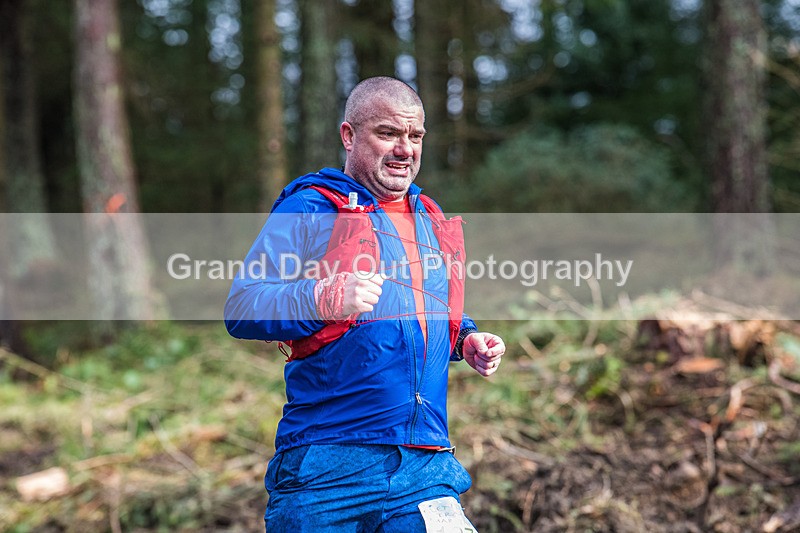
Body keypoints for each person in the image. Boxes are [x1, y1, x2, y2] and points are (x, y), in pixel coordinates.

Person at [225, 76, 505, 532]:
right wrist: (323, 297)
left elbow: (423, 305)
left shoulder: (429, 218)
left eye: (415, 137)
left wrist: (466, 337)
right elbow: (242, 306)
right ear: (349, 136)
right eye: (388, 134)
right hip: (326, 467)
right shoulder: (310, 208)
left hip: (425, 466)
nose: (405, 150)